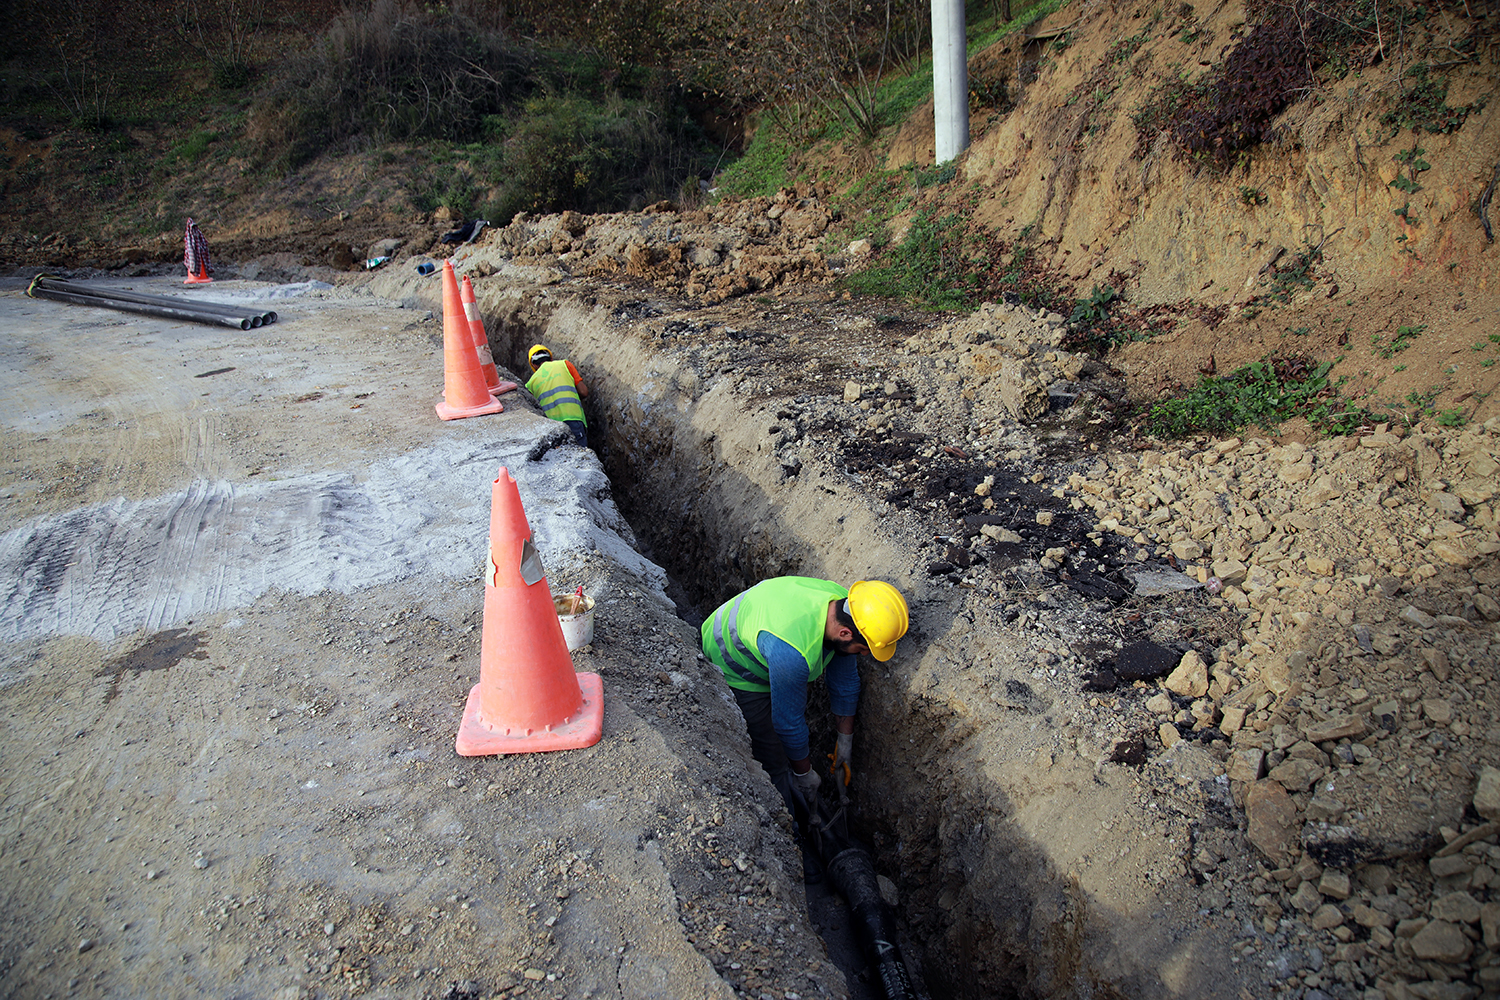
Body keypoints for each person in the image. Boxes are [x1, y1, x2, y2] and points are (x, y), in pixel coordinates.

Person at [700, 577, 910, 881]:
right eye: (864, 649)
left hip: (766, 631)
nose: (866, 655)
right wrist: (802, 774)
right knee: (772, 760)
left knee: (792, 741)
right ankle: (790, 842)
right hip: (734, 661)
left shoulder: (842, 605)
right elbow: (787, 722)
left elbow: (846, 682)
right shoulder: (792, 654)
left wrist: (845, 742)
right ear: (845, 632)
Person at [524, 344, 590, 447]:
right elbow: (583, 392)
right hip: (573, 419)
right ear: (550, 358)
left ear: (534, 365)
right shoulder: (565, 365)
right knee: (582, 454)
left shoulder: (530, 384)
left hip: (551, 427)